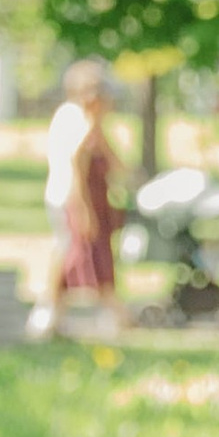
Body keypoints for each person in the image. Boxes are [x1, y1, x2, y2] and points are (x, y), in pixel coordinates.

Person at [41, 57, 124, 328]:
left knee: (80, 253)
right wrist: (83, 209)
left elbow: (113, 161)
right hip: (70, 198)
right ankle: (50, 312)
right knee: (70, 253)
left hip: (83, 199)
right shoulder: (73, 117)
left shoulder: (89, 121)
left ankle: (61, 314)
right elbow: (76, 165)